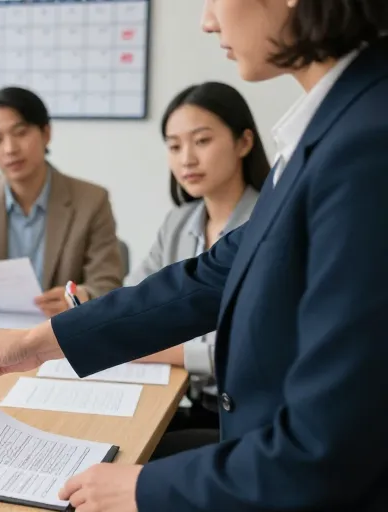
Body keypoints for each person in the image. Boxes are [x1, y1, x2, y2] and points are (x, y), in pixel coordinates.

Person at [0, 1, 388, 510]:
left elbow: (331, 445)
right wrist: (32, 344)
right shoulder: (330, 127)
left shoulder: (367, 143)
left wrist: (144, 488)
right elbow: (207, 279)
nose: (207, 21)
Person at [128, 82, 270, 442]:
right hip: (182, 402)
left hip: (248, 418)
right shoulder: (178, 222)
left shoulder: (270, 225)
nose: (186, 158)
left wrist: (161, 350)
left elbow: (254, 348)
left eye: (202, 141)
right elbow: (137, 299)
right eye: (174, 146)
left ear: (244, 142)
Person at [0, 87, 124, 315]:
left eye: (20, 133)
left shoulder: (91, 200)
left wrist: (80, 297)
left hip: (60, 333)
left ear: (46, 133)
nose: (10, 149)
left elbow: (108, 284)